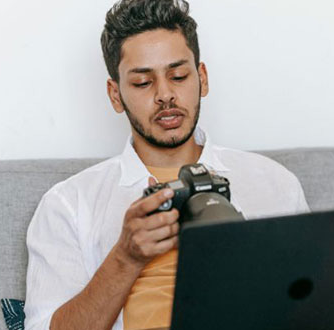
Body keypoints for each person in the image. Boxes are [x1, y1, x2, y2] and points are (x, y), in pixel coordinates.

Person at [24, 0, 310, 329]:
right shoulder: (70, 204)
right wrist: (126, 257)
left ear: (202, 78)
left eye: (178, 75)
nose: (165, 95)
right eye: (143, 83)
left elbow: (315, 307)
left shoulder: (275, 184)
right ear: (115, 95)